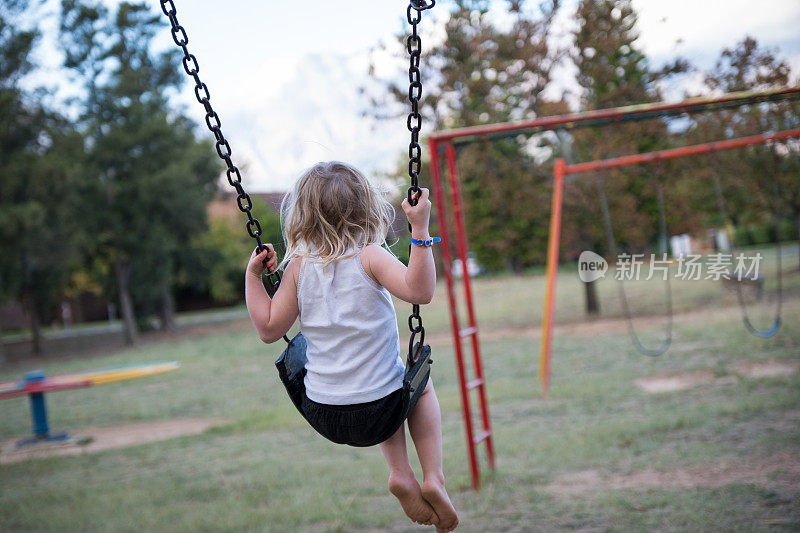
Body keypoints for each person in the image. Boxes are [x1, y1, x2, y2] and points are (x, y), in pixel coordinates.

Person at [245, 162, 458, 532]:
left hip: (324, 413)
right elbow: (420, 292)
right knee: (416, 387)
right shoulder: (369, 255)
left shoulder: (298, 267)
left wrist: (253, 276)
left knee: (381, 381)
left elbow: (267, 329)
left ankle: (399, 473)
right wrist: (420, 230)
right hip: (379, 409)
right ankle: (433, 478)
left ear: (302, 215)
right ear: (365, 208)